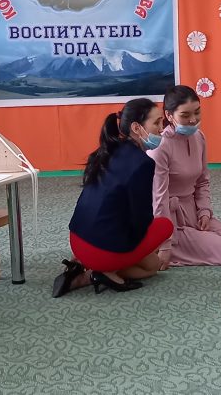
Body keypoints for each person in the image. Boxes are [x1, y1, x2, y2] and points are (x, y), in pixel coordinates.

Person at [54, 98, 174, 297]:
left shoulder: (110, 148)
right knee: (165, 226)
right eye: (157, 122)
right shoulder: (143, 163)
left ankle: (87, 269)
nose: (162, 128)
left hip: (77, 240)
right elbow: (141, 219)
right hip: (102, 250)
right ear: (136, 128)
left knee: (152, 264)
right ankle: (95, 274)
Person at [147, 85, 221, 267]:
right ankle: (166, 245)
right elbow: (158, 198)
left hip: (193, 211)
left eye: (197, 112)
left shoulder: (199, 137)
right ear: (169, 115)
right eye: (185, 115)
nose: (193, 120)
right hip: (170, 220)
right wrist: (165, 243)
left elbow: (202, 182)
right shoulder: (160, 147)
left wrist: (205, 212)